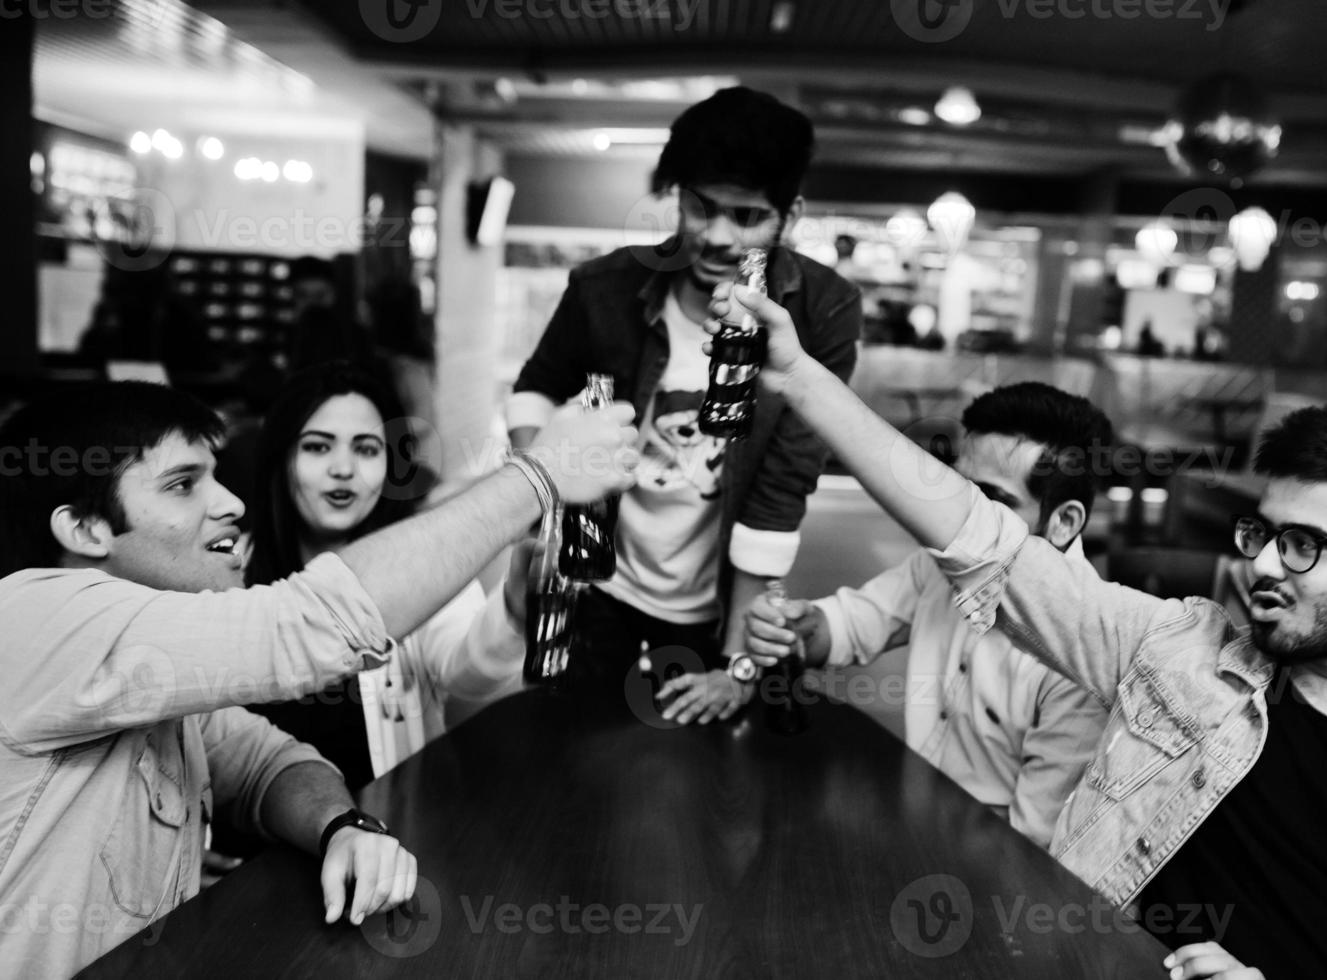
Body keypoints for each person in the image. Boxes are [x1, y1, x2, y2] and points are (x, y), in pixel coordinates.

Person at [715, 281, 1327, 980]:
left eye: (1305, 545)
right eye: (1260, 534)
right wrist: (799, 376)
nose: (1264, 565)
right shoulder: (1175, 650)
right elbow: (980, 540)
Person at [0, 380, 635, 977]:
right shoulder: (34, 617)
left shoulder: (158, 658)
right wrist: (541, 475)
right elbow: (307, 625)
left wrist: (341, 825)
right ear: (84, 528)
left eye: (365, 448)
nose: (230, 503)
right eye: (183, 484)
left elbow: (262, 762)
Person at [506, 86, 862, 697]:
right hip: (597, 582)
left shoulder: (823, 310)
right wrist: (545, 496)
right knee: (569, 750)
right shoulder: (605, 287)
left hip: (716, 604)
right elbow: (536, 388)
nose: (717, 236)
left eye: (747, 216)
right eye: (701, 207)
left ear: (790, 216)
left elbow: (783, 485)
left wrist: (735, 664)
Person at [666, 383, 1114, 849]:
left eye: (988, 501)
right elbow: (847, 627)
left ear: (1063, 522)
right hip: (914, 832)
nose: (960, 519)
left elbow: (1033, 849)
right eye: (957, 491)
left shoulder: (1083, 654)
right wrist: (795, 628)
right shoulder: (940, 566)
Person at [241, 362, 525, 791]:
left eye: (367, 449)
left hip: (381, 837)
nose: (344, 468)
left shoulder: (421, 561)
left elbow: (465, 671)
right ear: (281, 458)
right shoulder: (231, 569)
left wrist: (515, 611)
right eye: (317, 447)